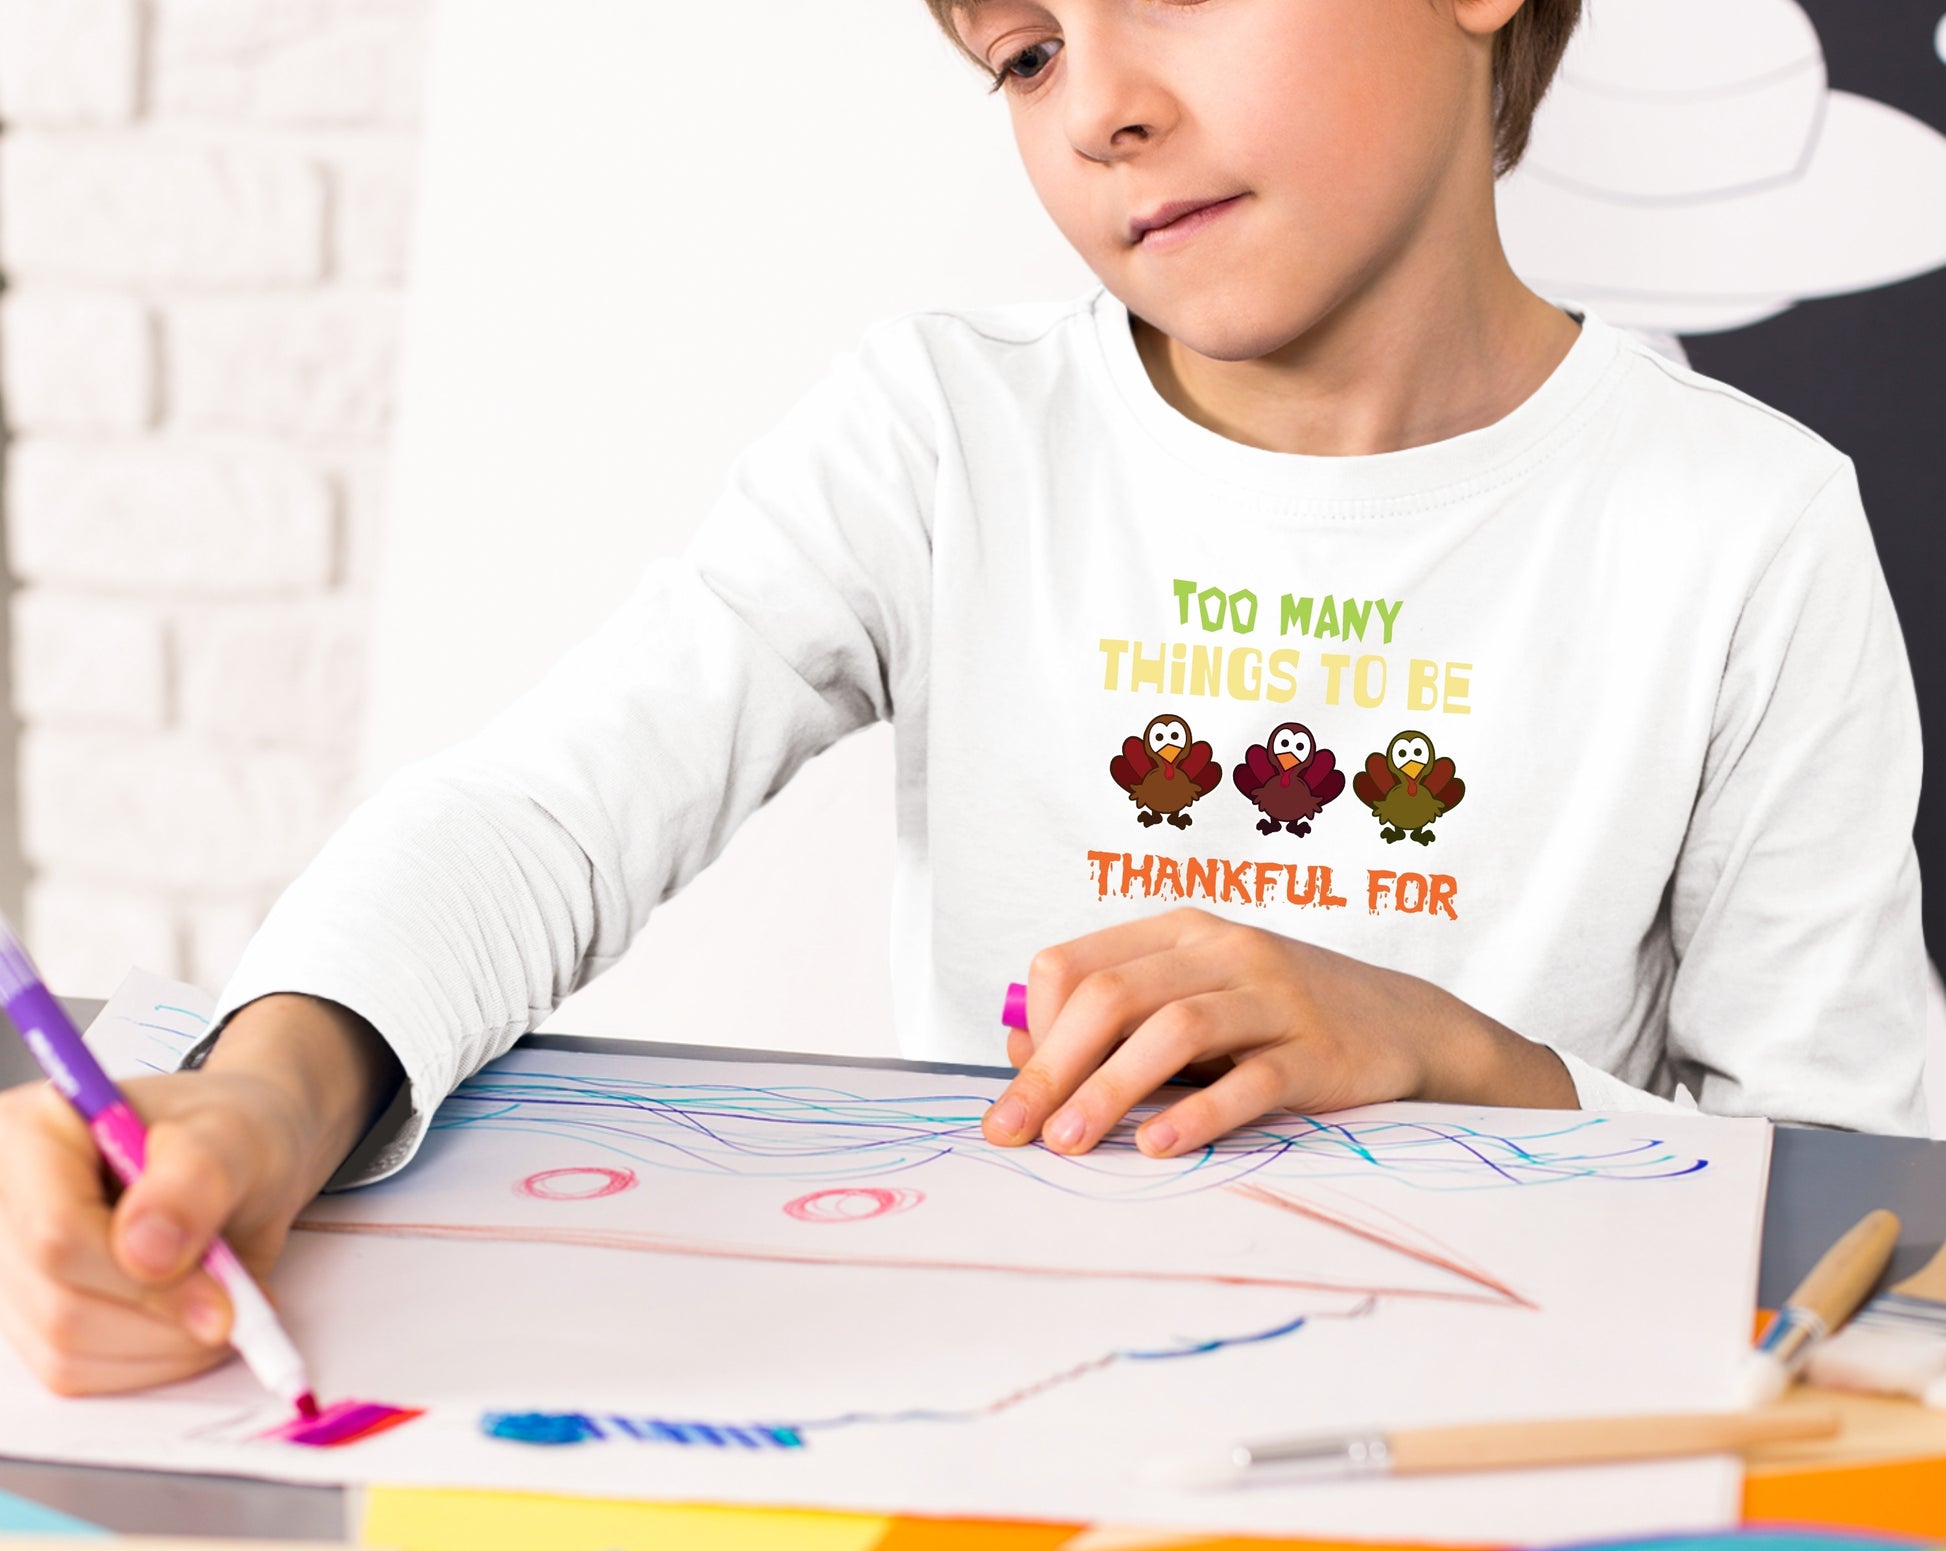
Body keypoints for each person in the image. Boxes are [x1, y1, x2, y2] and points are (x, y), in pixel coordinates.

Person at [0, 0, 1923, 1399]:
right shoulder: (943, 433)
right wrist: (264, 1090)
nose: (1101, 109)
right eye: (1024, 53)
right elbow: (546, 811)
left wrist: (1446, 1051)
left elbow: (1867, 1196)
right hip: (1012, 1421)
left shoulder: (1744, 524)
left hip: (1514, 1449)